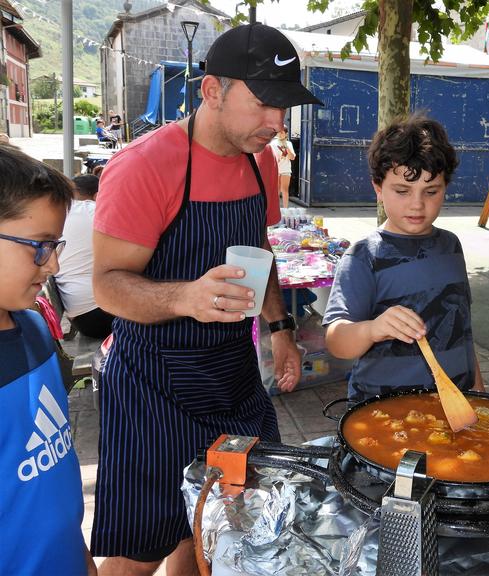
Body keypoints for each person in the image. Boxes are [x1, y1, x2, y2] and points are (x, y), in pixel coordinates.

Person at [89, 23, 321, 574]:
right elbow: (106, 285)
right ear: (212, 91)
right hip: (152, 385)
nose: (277, 124)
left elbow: (258, 251)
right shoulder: (145, 165)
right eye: (264, 103)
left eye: (284, 107)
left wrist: (280, 329)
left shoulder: (259, 158)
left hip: (233, 377)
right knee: (140, 548)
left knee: (214, 528)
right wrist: (185, 297)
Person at [322, 115, 485, 403]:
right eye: (402, 191)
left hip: (454, 401)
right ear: (378, 188)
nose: (417, 204)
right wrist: (373, 329)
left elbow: (463, 329)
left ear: (445, 187)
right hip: (382, 410)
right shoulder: (364, 256)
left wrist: (477, 388)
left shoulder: (451, 246)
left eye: (431, 191)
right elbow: (337, 340)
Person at [0, 144, 97, 575]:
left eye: (55, 245)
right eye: (38, 246)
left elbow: (48, 479)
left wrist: (80, 556)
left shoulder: (36, 327)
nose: (54, 264)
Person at [54, 174, 115, 339]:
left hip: (81, 317)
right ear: (97, 196)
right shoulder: (93, 211)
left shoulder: (61, 213)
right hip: (99, 313)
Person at [270, 124, 296, 208]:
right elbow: (271, 158)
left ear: (286, 133)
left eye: (282, 133)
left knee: (285, 190)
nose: (280, 134)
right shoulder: (272, 144)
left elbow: (292, 157)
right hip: (276, 170)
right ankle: (276, 209)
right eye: (279, 132)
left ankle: (285, 209)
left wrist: (286, 147)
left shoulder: (289, 143)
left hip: (286, 169)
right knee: (276, 191)